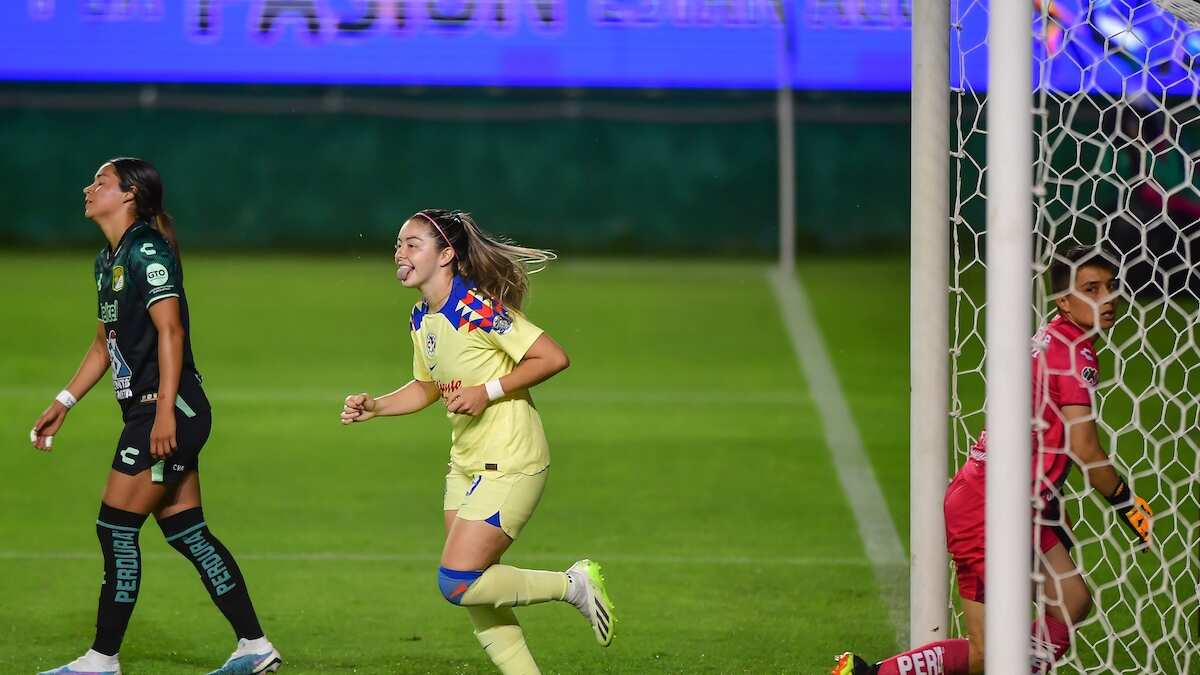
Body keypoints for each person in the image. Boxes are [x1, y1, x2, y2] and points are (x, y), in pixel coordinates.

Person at [832, 246, 1153, 675]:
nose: (1107, 297)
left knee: (1071, 600)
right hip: (987, 508)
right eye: (1091, 289)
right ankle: (869, 674)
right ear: (1064, 301)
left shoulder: (1053, 336)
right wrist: (1125, 502)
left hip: (1020, 501)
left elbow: (1039, 436)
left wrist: (1051, 501)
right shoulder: (1074, 354)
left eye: (1110, 287)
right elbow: (1084, 448)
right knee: (986, 653)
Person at [31, 158, 282, 675]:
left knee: (116, 528)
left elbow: (172, 332)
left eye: (99, 182)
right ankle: (254, 647)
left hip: (166, 411)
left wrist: (165, 412)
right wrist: (64, 401)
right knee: (187, 531)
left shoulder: (148, 250)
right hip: (155, 411)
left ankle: (102, 660)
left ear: (127, 195)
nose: (88, 188)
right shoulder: (108, 260)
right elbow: (105, 345)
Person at [340, 209, 616, 674]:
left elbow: (552, 357)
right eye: (397, 244)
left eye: (412, 244)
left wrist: (486, 392)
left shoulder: (478, 307)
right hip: (466, 463)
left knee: (458, 581)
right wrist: (378, 406)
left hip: (511, 458)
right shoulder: (421, 317)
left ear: (445, 255)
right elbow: (428, 385)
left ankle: (574, 584)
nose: (399, 252)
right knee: (474, 590)